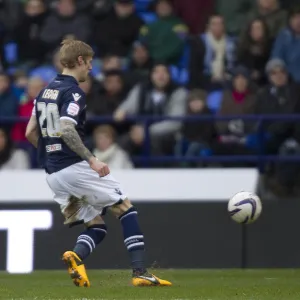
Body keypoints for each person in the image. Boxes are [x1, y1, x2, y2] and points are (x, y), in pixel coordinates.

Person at [25, 39, 171, 288]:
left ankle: (77, 256)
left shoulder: (43, 92)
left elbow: (30, 132)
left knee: (97, 225)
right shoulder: (73, 92)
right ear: (79, 61)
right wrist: (92, 160)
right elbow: (67, 128)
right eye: (90, 62)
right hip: (73, 167)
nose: (91, 68)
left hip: (53, 174)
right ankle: (140, 272)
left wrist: (51, 153)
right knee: (125, 207)